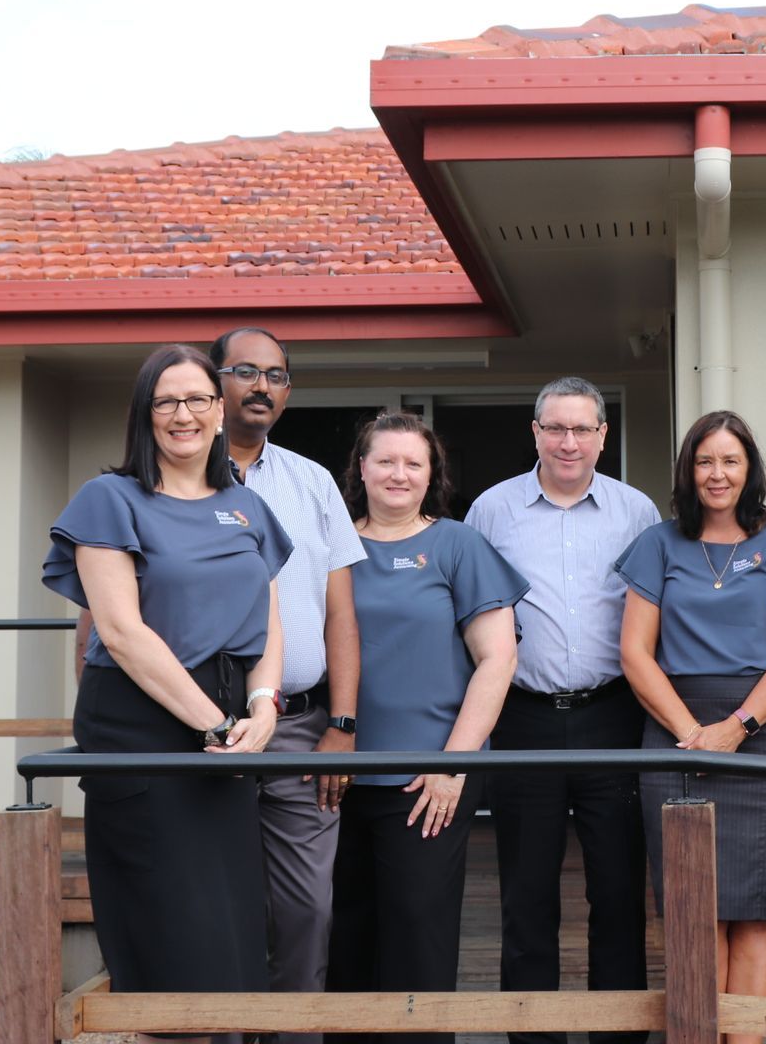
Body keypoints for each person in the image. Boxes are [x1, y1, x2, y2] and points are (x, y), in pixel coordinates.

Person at [42, 344, 291, 1043]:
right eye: (167, 401)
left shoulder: (247, 506)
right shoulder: (108, 499)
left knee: (232, 927)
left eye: (198, 400)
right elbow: (120, 632)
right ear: (145, 416)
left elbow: (270, 618)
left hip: (227, 727)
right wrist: (214, 724)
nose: (184, 414)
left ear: (220, 413)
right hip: (142, 727)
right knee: (171, 935)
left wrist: (265, 703)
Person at [616, 410, 766, 1041]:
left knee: (759, 910)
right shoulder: (658, 544)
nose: (717, 473)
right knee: (695, 909)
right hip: (674, 731)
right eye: (704, 460)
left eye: (730, 460)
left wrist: (735, 727)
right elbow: (635, 653)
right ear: (688, 469)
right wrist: (692, 732)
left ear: (750, 469)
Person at [465, 377, 661, 1044]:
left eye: (582, 429)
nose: (569, 441)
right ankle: (534, 1036)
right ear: (536, 432)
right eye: (556, 428)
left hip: (614, 718)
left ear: (604, 435)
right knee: (526, 896)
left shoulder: (637, 514)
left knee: (616, 894)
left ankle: (618, 1036)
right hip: (524, 719)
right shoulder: (491, 512)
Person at [326, 411, 524, 1044]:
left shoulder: (456, 545)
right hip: (335, 775)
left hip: (426, 782)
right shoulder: (331, 549)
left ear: (432, 473)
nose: (398, 474)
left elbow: (498, 658)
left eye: (414, 463)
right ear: (361, 468)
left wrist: (452, 765)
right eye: (385, 460)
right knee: (341, 936)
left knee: (418, 934)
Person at [210, 326, 366, 1044]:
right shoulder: (170, 475)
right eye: (245, 371)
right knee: (217, 905)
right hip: (202, 729)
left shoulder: (312, 482)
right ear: (214, 382)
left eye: (275, 375)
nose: (261, 386)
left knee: (308, 908)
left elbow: (339, 610)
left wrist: (343, 722)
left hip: (303, 729)